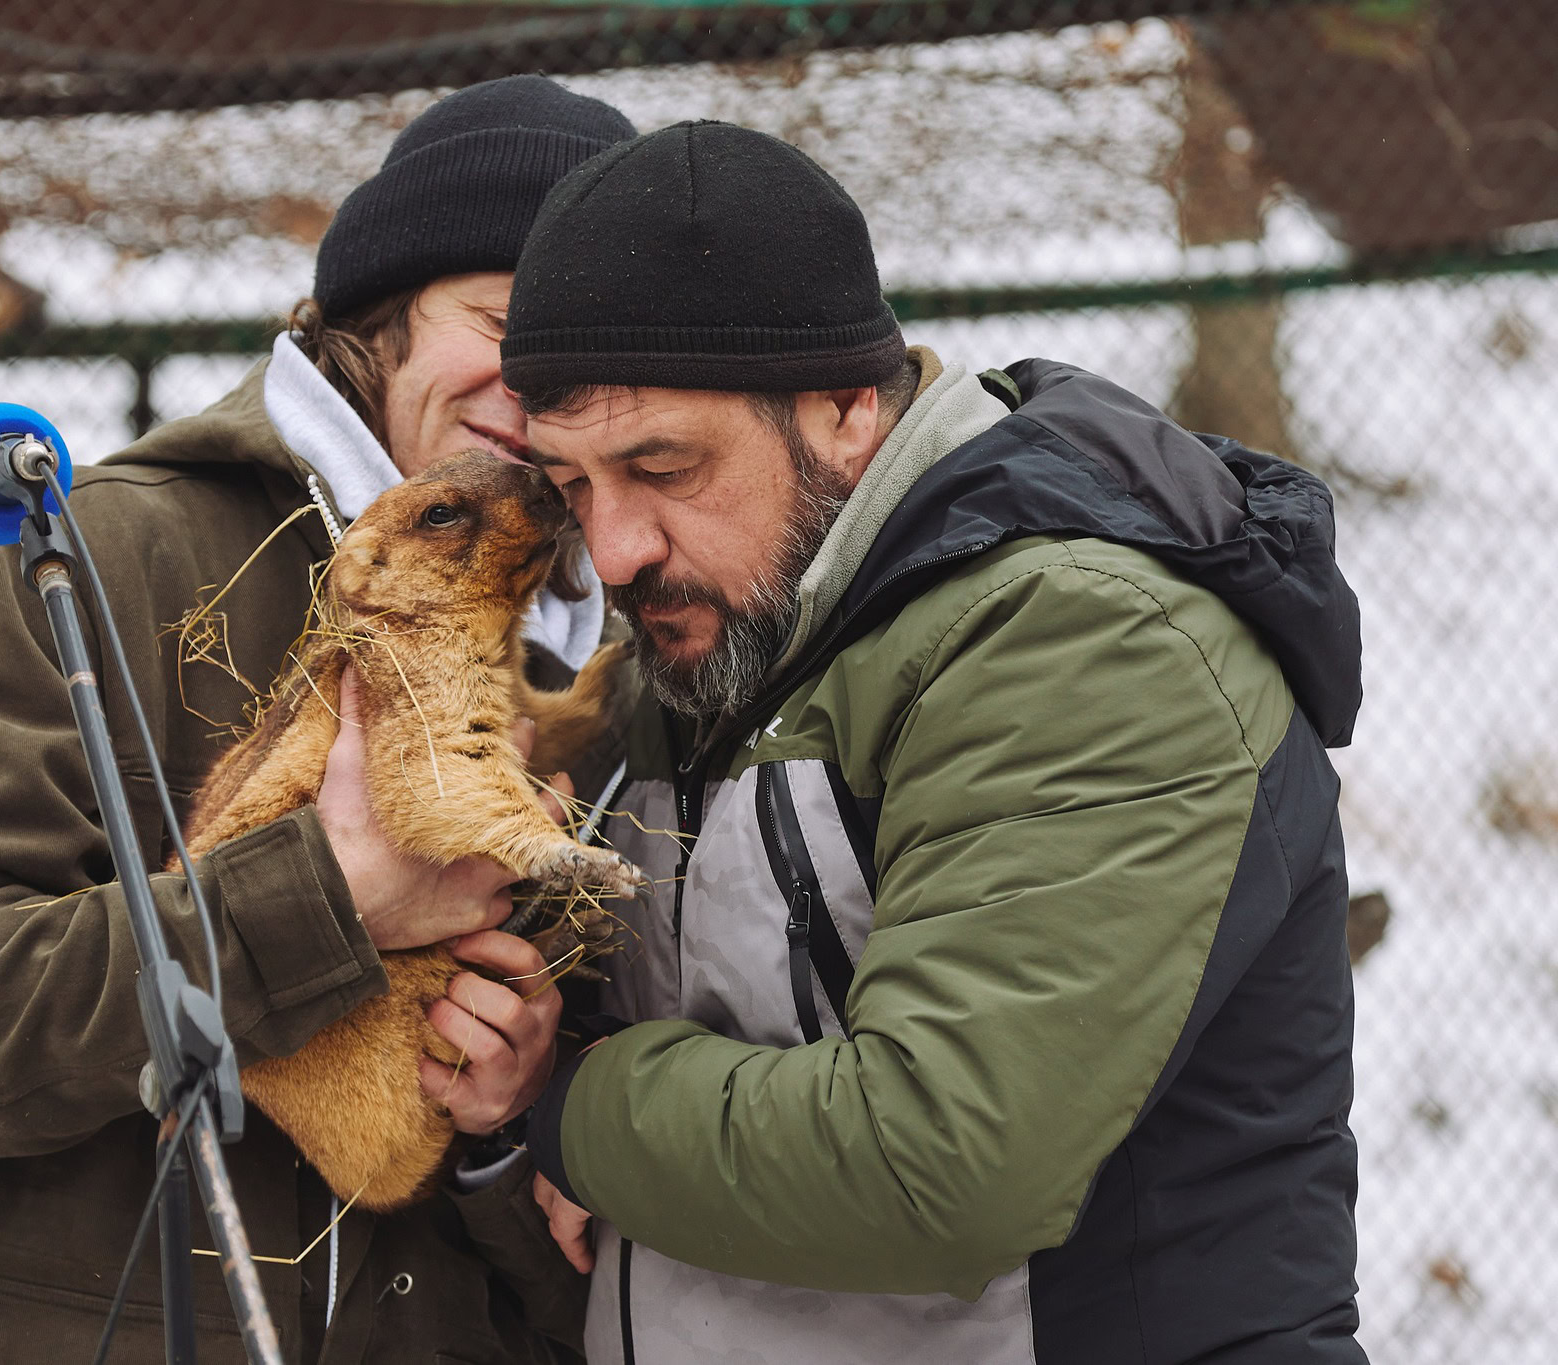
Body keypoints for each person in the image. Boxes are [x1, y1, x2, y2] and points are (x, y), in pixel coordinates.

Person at [500, 121, 1368, 1364]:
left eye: (662, 464)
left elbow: (937, 1162)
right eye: (573, 485)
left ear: (847, 408)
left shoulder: (1079, 644)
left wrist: (571, 1110)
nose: (616, 547)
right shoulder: (719, 639)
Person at [0, 76, 635, 1365]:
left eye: (595, 358)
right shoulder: (81, 563)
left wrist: (520, 1109)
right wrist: (330, 896)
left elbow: (572, 1260)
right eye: (503, 322)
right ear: (382, 312)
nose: (541, 391)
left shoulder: (615, 662)